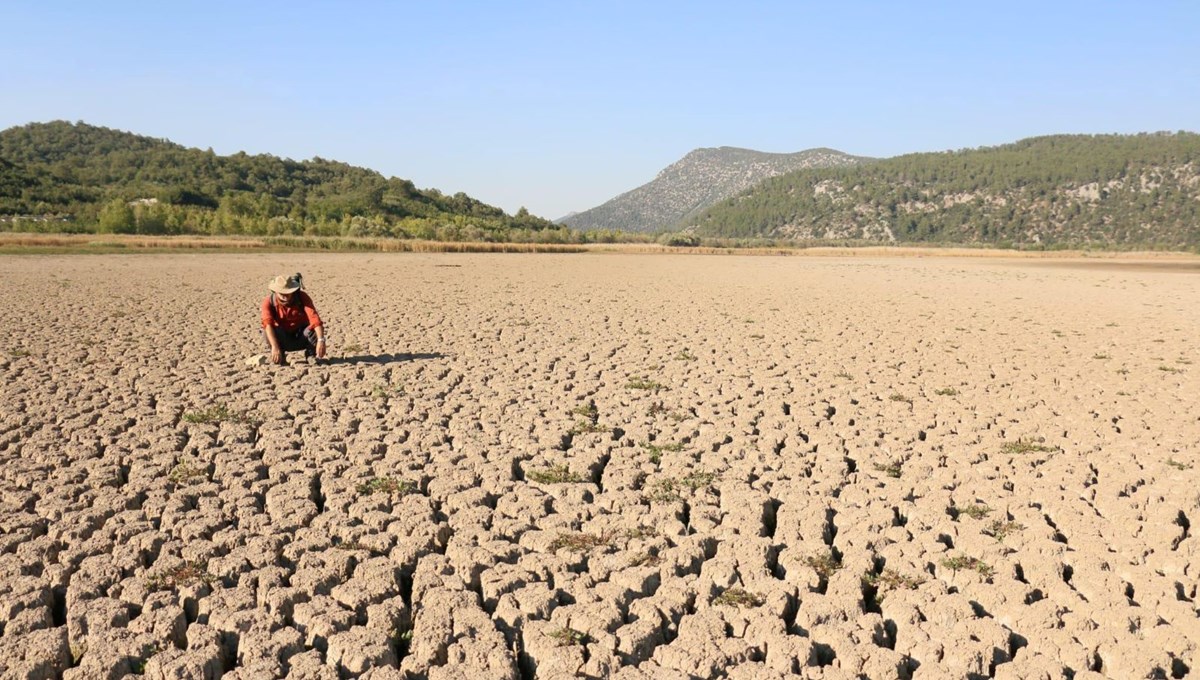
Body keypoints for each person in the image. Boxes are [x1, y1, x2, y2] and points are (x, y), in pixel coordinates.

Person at [261, 273, 327, 365]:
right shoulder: (269, 302)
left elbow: (315, 319)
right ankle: (280, 355)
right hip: (283, 339)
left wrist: (321, 340)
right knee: (267, 331)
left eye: (287, 293)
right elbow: (267, 323)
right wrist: (274, 346)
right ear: (275, 291)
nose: (284, 296)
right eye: (281, 293)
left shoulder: (302, 297)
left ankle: (311, 355)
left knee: (315, 329)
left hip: (302, 336)